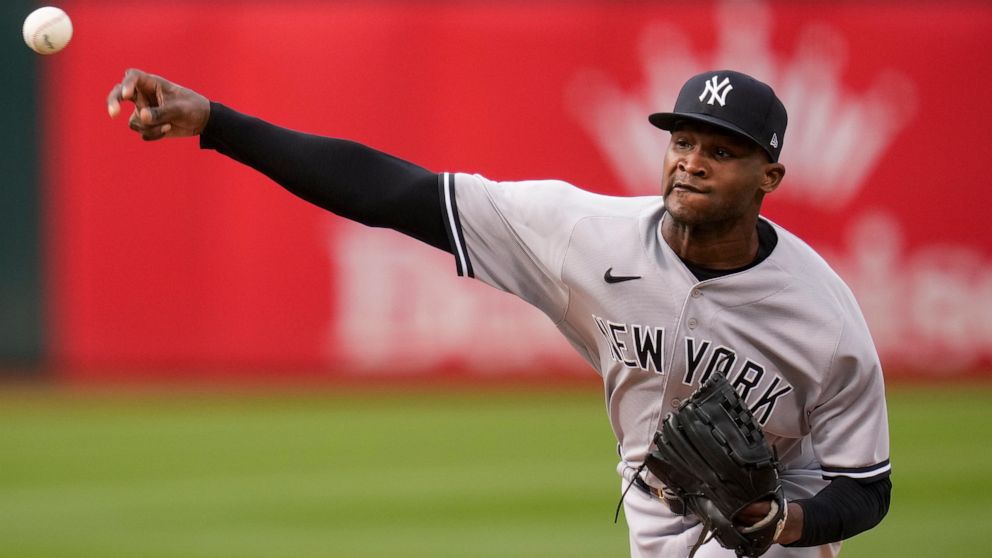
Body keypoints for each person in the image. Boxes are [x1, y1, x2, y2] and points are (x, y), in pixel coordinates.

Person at [107, 68, 891, 557]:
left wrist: (783, 522)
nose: (691, 161)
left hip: (766, 538)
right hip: (651, 515)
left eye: (719, 151)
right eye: (683, 141)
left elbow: (868, 487)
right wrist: (216, 122)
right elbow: (392, 194)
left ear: (770, 175)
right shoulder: (584, 233)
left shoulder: (823, 318)